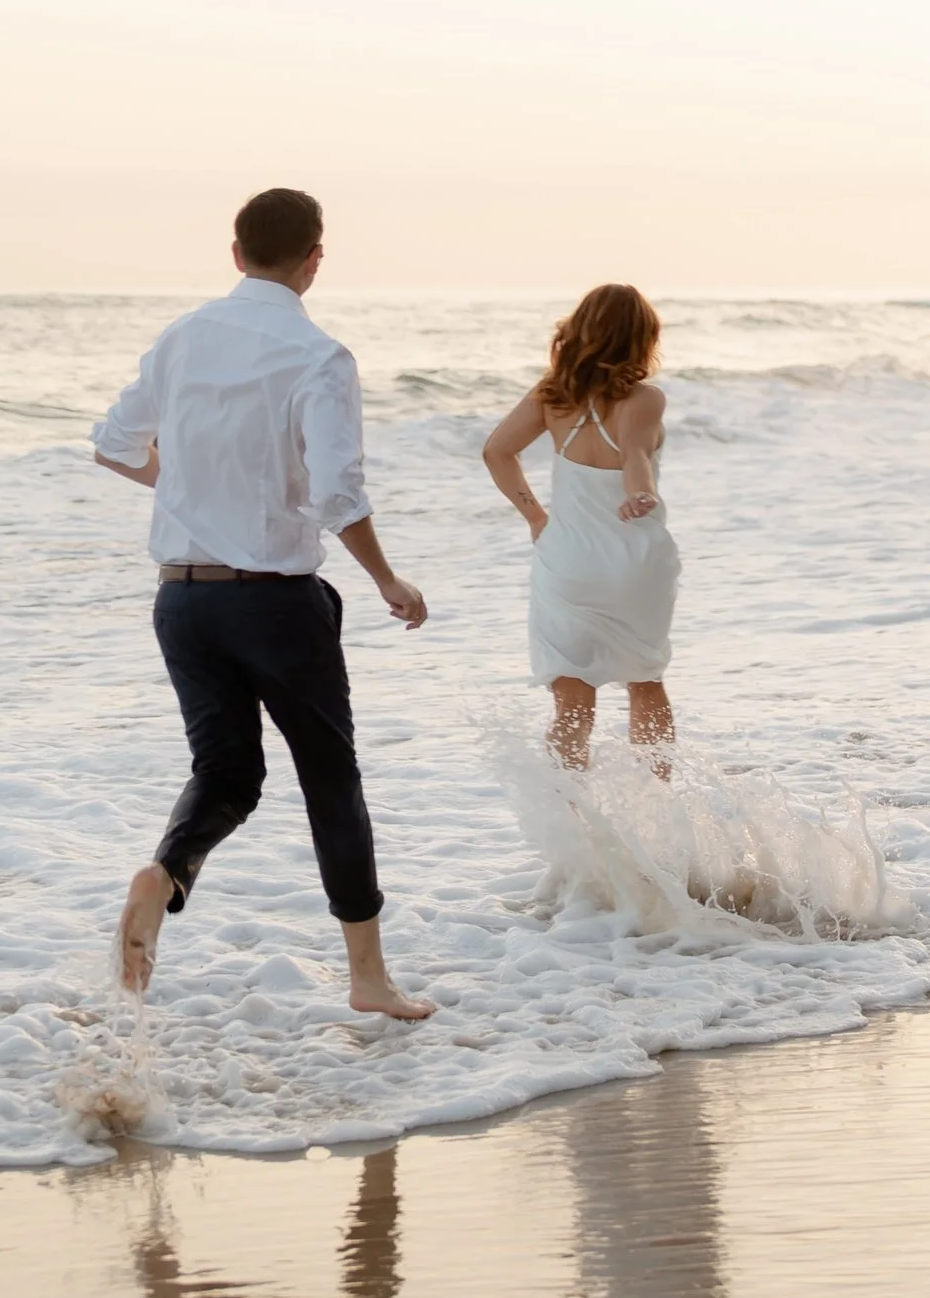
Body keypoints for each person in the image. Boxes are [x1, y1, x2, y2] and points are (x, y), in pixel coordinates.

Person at [92, 186, 434, 1018]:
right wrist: (388, 579)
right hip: (275, 605)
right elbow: (337, 494)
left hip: (181, 600)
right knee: (330, 780)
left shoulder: (182, 337)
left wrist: (195, 493)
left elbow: (112, 446)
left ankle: (166, 874)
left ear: (235, 252)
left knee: (227, 773)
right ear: (315, 258)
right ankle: (367, 980)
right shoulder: (318, 356)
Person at [481, 283, 678, 768]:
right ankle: (660, 812)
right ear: (641, 338)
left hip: (567, 559)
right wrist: (639, 495)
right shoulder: (646, 399)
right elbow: (634, 454)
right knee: (646, 682)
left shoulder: (551, 395)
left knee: (573, 701)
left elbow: (496, 451)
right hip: (633, 560)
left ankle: (571, 821)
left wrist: (535, 516)